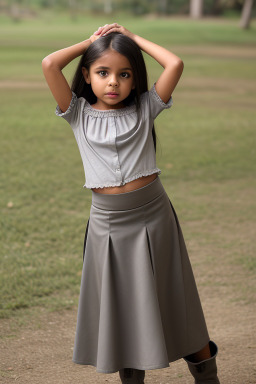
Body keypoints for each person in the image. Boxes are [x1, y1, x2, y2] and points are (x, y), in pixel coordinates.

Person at [42, 23, 220, 384]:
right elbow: (49, 64)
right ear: (87, 76)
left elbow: (175, 64)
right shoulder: (76, 113)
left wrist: (134, 40)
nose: (113, 82)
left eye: (124, 74)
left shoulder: (145, 107)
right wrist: (91, 43)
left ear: (135, 78)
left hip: (155, 218)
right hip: (108, 227)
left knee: (177, 302)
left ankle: (208, 376)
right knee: (123, 315)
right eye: (103, 73)